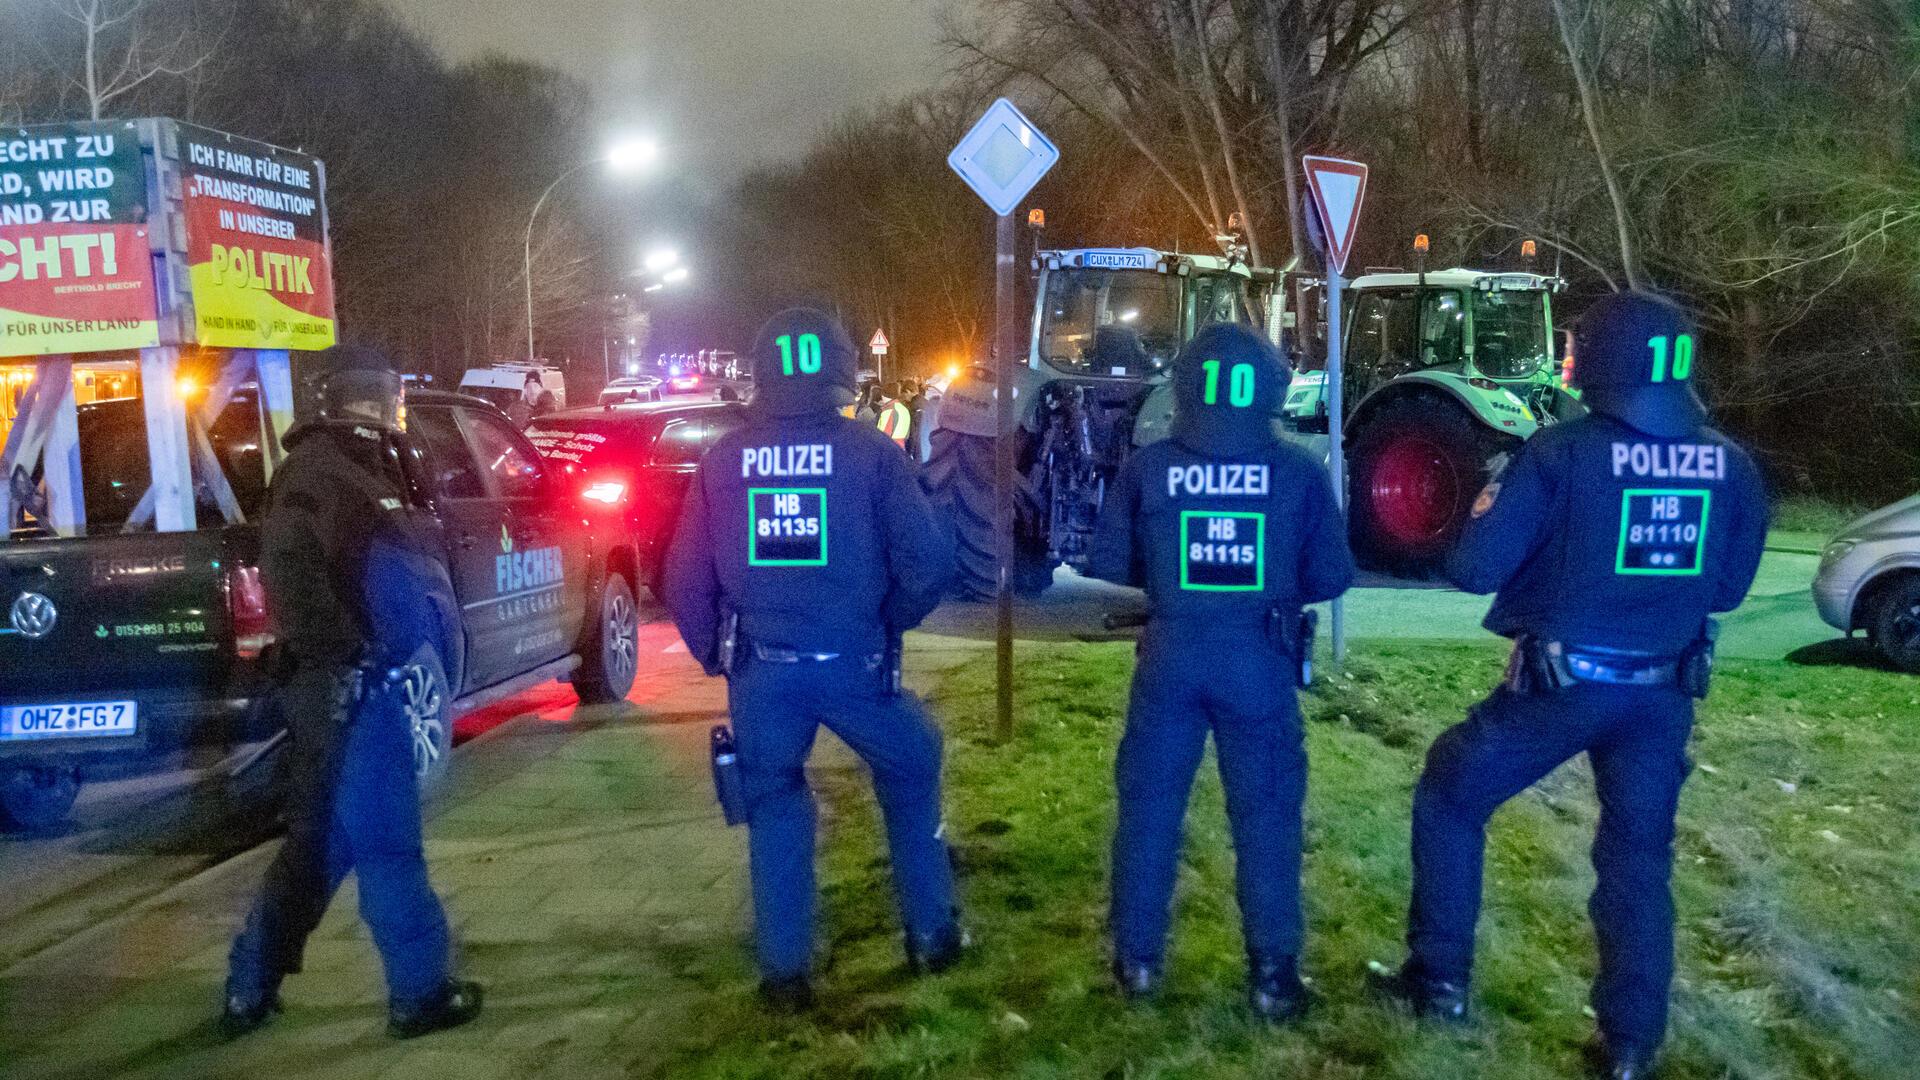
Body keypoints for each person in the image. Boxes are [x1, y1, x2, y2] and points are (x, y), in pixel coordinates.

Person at [1367, 293, 1768, 1080]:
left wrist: (1487, 502)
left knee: (1452, 792)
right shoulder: (1733, 466)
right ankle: (1629, 1044)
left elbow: (1471, 568)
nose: (1571, 362)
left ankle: (1438, 981)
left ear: (1608, 364)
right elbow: (1724, 592)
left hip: (1558, 688)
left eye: (1580, 350)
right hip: (1663, 698)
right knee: (1638, 858)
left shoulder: (1561, 454)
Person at [662, 308, 963, 1010]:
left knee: (774, 802)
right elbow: (927, 562)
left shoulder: (722, 459)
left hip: (763, 672)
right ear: (841, 375)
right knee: (912, 764)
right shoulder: (872, 454)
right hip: (855, 664)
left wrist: (718, 656)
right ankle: (930, 936)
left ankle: (785, 975)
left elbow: (683, 580)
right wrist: (890, 622)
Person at [1088, 323, 1354, 1021]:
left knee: (1148, 812)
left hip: (1169, 658)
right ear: (1267, 389)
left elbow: (1113, 566)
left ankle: (1137, 965)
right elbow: (1332, 575)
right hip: (1258, 661)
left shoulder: (1148, 467)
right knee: (1266, 817)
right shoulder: (1298, 471)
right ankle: (1273, 976)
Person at [222, 346, 482, 1041]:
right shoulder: (319, 475)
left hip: (356, 687)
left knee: (321, 846)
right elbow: (291, 574)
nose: (400, 407)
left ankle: (250, 986)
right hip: (353, 693)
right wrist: (348, 657)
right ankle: (420, 994)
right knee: (388, 844)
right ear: (369, 400)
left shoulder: (353, 471)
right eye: (394, 394)